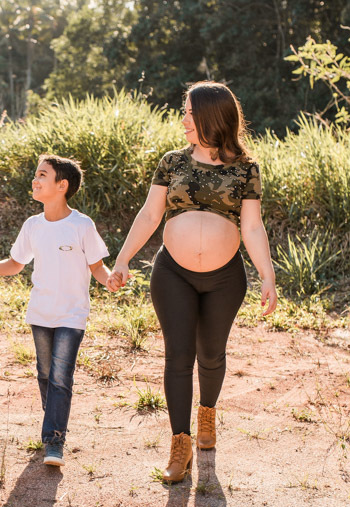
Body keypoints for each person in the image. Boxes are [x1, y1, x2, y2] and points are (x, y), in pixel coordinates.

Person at [108, 81, 278, 482]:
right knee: (178, 357)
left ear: (210, 116)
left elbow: (252, 228)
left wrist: (268, 276)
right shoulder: (172, 162)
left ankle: (207, 414)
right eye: (183, 111)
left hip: (225, 278)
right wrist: (123, 257)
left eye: (188, 111)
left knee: (212, 354)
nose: (183, 119)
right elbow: (150, 215)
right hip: (173, 274)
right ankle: (179, 444)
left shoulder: (245, 168)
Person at [0, 155, 114, 467]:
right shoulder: (33, 226)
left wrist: (110, 280)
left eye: (42, 175)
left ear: (62, 185)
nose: (35, 180)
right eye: (35, 175)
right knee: (45, 374)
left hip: (71, 315)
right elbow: (15, 264)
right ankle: (53, 419)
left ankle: (54, 439)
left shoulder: (82, 225)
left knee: (60, 377)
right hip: (40, 314)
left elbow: (97, 266)